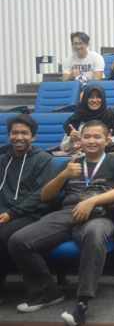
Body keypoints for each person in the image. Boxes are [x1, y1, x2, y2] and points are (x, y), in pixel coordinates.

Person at [9, 120, 114, 326]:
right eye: (87, 137)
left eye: (97, 137)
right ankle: (47, 292)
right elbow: (46, 196)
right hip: (67, 213)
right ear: (80, 139)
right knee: (18, 240)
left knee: (94, 235)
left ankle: (82, 302)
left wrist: (91, 201)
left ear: (107, 139)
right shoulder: (71, 162)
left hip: (99, 215)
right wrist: (64, 175)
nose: (91, 141)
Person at [0, 115, 54, 304]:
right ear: (9, 135)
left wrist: (11, 214)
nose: (19, 137)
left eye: (24, 133)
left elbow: (39, 194)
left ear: (33, 136)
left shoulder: (43, 159)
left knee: (2, 236)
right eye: (14, 132)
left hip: (31, 215)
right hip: (4, 214)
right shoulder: (2, 160)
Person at [60, 84, 114, 156]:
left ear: (103, 98)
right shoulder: (76, 118)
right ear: (85, 99)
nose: (94, 100)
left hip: (106, 156)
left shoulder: (113, 117)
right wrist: (71, 139)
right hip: (79, 157)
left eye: (98, 97)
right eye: (90, 97)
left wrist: (109, 140)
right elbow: (63, 148)